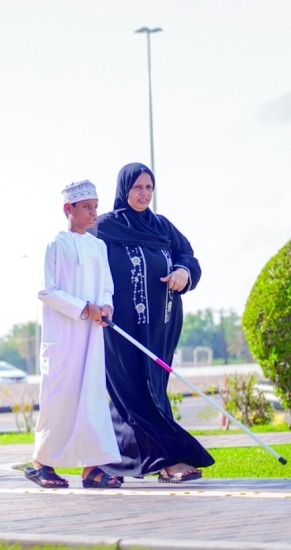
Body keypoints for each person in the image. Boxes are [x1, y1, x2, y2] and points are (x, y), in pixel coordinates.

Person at [93, 163, 212, 483]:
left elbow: (188, 256)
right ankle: (170, 461)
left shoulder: (162, 227)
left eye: (149, 188)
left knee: (152, 391)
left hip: (161, 326)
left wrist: (183, 273)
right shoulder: (104, 228)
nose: (144, 194)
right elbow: (82, 262)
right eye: (137, 188)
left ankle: (112, 461)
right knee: (133, 392)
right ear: (124, 190)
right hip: (120, 329)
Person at [26, 181, 122, 489]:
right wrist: (84, 308)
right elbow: (46, 290)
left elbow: (107, 285)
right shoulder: (55, 244)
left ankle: (92, 468)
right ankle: (42, 464)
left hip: (92, 337)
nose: (94, 212)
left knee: (91, 398)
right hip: (63, 337)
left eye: (96, 206)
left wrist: (105, 306)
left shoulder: (98, 246)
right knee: (59, 399)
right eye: (87, 207)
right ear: (69, 209)